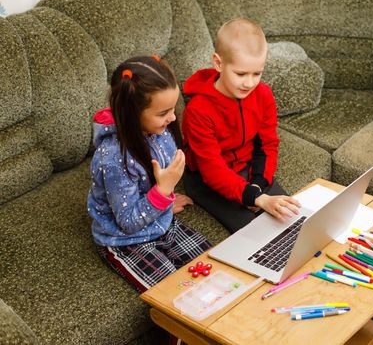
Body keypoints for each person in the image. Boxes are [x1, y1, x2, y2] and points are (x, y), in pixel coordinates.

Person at [87, 55, 212, 294]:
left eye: (173, 108)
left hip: (161, 221)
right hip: (126, 241)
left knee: (217, 274)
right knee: (177, 297)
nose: (173, 117)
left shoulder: (159, 130)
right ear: (131, 113)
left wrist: (166, 201)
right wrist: (163, 192)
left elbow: (155, 176)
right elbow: (128, 223)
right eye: (164, 112)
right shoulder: (114, 159)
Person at [182, 18, 301, 233]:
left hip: (247, 167)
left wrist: (257, 184)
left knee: (292, 220)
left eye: (257, 73)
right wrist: (255, 198)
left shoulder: (263, 94)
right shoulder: (198, 110)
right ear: (218, 63)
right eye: (241, 74)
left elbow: (267, 145)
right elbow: (211, 169)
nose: (250, 83)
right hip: (207, 179)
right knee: (254, 234)